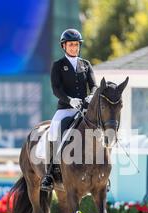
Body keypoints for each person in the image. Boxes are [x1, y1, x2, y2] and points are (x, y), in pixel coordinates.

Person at [40, 28, 97, 192]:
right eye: (71, 45)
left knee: (99, 131)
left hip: (84, 110)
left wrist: (90, 96)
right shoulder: (58, 65)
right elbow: (56, 89)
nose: (74, 48)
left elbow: (93, 85)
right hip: (66, 108)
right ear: (64, 46)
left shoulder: (85, 64)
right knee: (53, 130)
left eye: (76, 45)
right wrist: (70, 100)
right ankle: (49, 174)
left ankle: (101, 173)